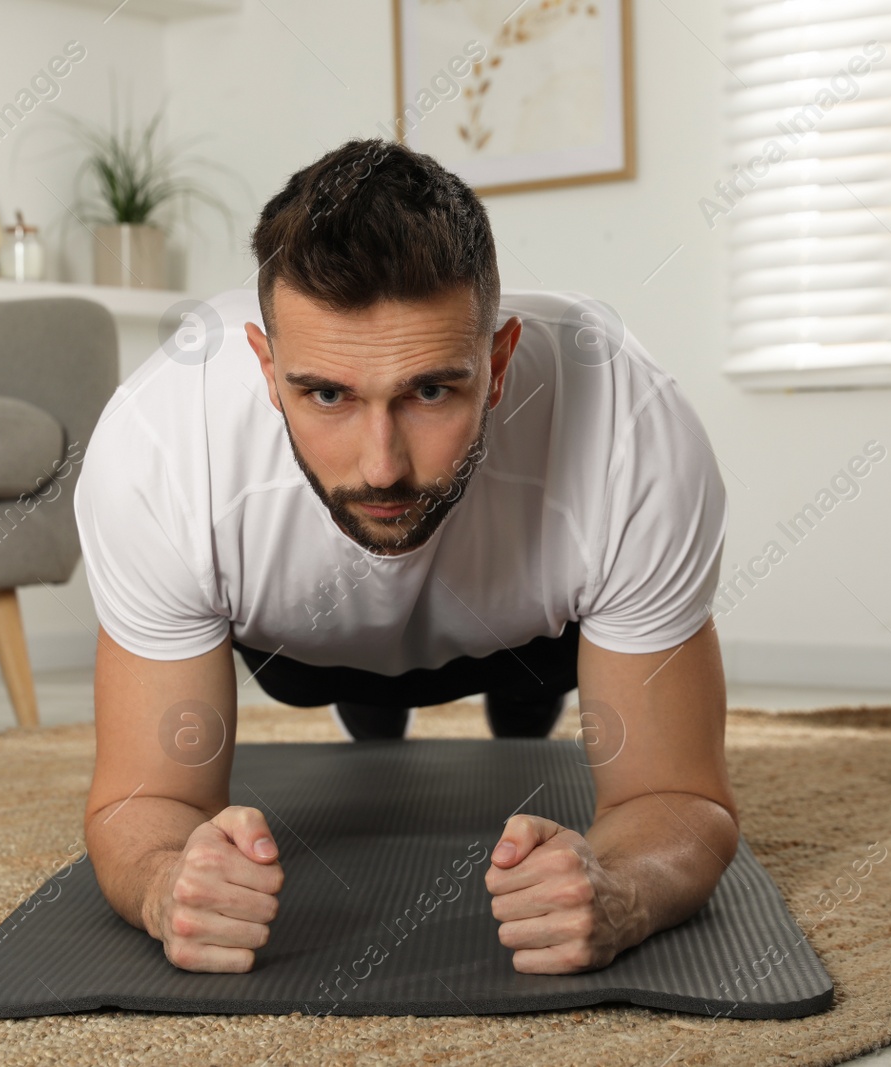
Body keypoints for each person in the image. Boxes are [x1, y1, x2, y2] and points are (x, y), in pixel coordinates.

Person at [73, 138, 738, 978]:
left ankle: (513, 705)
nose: (381, 464)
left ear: (498, 365)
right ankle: (371, 704)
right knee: (361, 698)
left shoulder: (632, 430)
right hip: (303, 641)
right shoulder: (158, 449)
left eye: (430, 391)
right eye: (326, 394)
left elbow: (680, 797)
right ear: (265, 367)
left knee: (527, 698)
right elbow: (147, 799)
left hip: (524, 636)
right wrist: (167, 881)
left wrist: (624, 890)